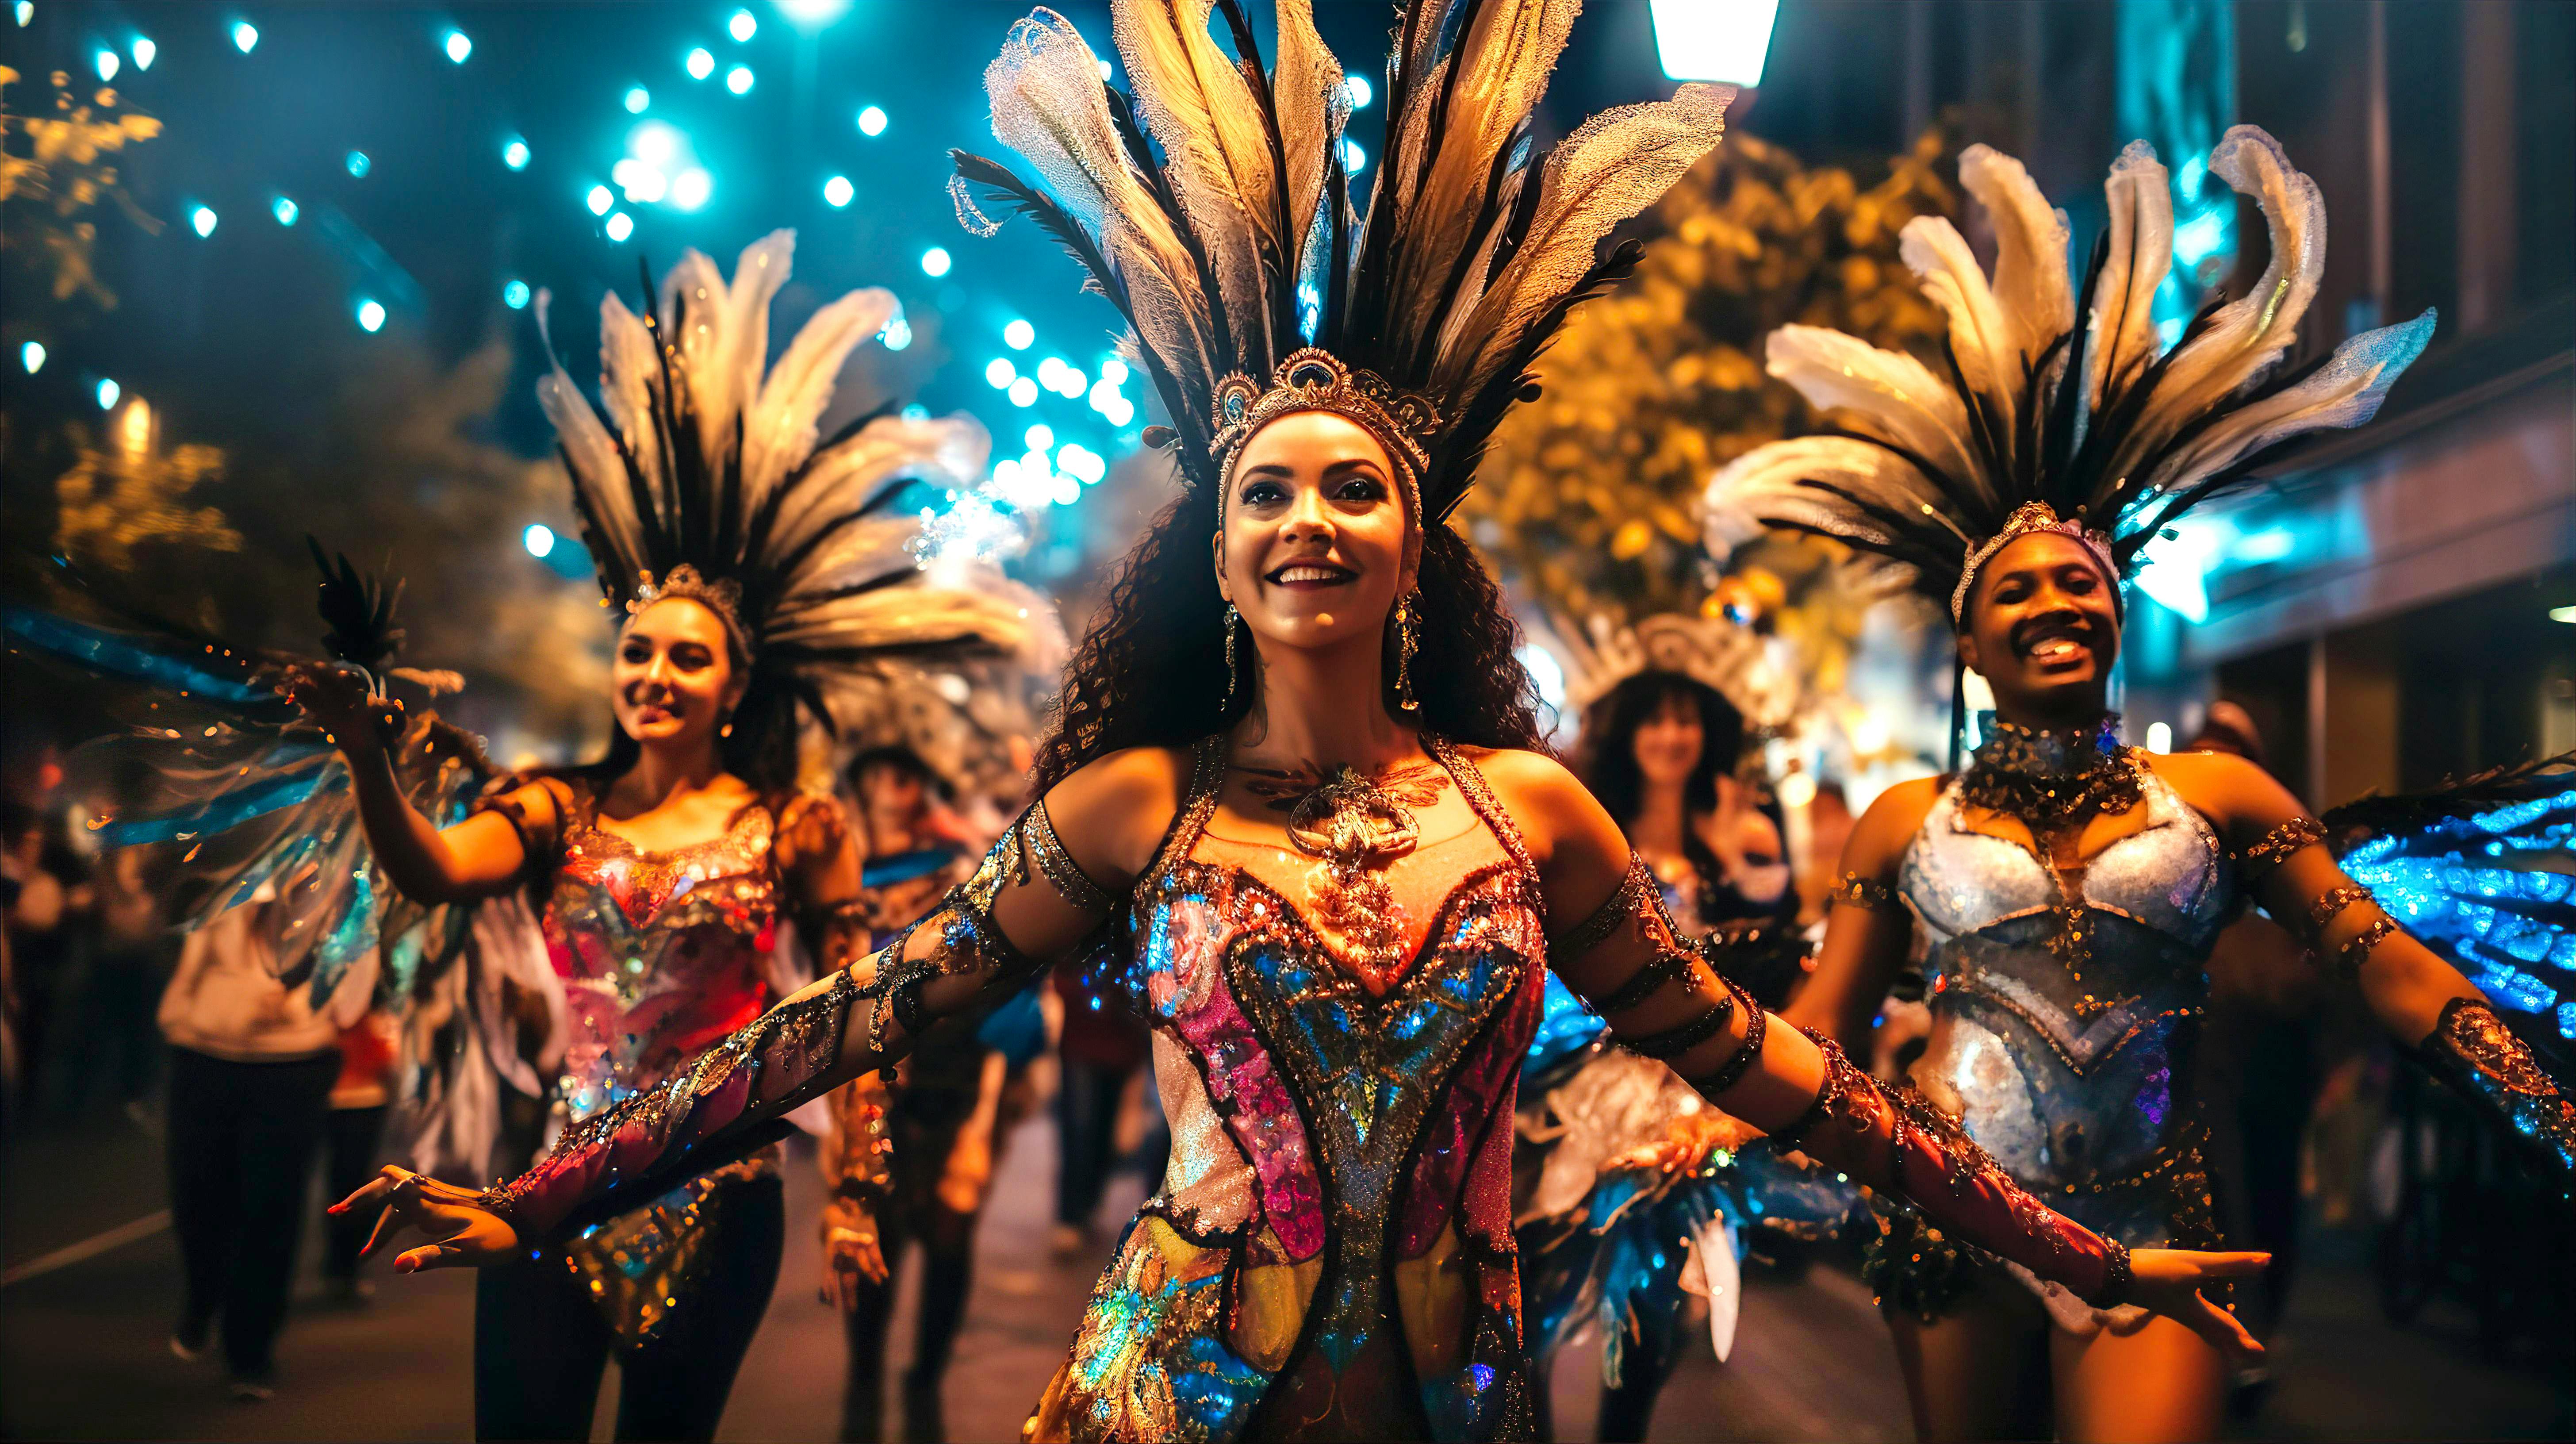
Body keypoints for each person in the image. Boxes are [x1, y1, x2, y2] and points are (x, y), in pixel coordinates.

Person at [339, 6, 2271, 1440]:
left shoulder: (1531, 814)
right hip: (1176, 1389)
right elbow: (836, 1027)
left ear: (1416, 546)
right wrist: (542, 1192)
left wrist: (2084, 1253)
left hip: (1466, 1394)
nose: (1309, 519)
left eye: (1354, 489)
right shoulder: (1129, 808)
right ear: (1222, 549)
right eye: (1268, 490)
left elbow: (1790, 1076)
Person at [1714, 128, 2574, 1440]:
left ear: (2115, 619)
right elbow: (1823, 1027)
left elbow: (2382, 962)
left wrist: (2540, 1090)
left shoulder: (2221, 794)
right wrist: (1684, 1121)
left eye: (2082, 584)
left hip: (2158, 1222)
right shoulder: (1904, 821)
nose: (2057, 600)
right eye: (2020, 588)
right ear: (1970, 637)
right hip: (1954, 1223)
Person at [285, 236, 1047, 1443]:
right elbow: (426, 872)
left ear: (732, 686)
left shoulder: (796, 829)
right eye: (637, 649)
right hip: (547, 1185)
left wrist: (851, 1197)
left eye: (686, 655)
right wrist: (369, 755)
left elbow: (852, 1022)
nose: (654, 671)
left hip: (720, 1190)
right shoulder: (550, 807)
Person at [820, 745, 990, 1444]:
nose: (892, 791)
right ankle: (864, 1375)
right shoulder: (840, 883)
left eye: (906, 776)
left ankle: (925, 1379)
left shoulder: (961, 875)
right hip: (867, 1095)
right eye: (876, 777)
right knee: (870, 1233)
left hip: (953, 1087)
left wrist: (983, 1127)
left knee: (949, 1233)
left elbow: (1004, 1002)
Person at [157, 889, 376, 1399]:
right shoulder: (231, 871)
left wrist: (314, 995)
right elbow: (185, 946)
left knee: (271, 1206)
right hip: (204, 1054)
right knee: (197, 1196)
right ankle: (203, 1291)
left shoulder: (343, 883)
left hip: (291, 1065)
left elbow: (355, 992)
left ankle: (250, 1353)